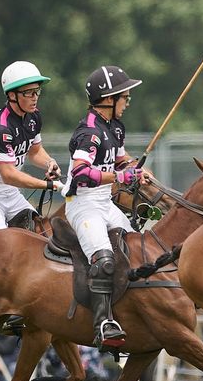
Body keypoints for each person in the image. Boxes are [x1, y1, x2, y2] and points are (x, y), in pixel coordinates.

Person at [62, 64, 150, 352]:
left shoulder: (114, 127)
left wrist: (135, 169)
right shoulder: (89, 133)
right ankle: (103, 324)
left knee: (138, 246)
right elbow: (80, 173)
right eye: (125, 97)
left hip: (104, 202)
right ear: (109, 99)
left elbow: (122, 160)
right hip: (83, 205)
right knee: (105, 260)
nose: (128, 102)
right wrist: (120, 177)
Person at [0, 60, 62, 232]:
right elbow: (9, 175)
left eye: (37, 91)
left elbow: (35, 151)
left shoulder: (34, 117)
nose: (35, 97)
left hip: (10, 193)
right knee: (3, 243)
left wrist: (50, 162)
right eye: (28, 93)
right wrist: (47, 185)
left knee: (41, 235)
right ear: (11, 95)